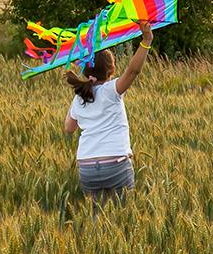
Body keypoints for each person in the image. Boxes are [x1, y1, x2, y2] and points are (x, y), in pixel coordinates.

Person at [62, 38, 152, 203]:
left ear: (86, 71)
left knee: (95, 214)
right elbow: (133, 71)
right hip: (115, 163)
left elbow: (69, 127)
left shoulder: (80, 97)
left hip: (87, 167)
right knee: (123, 214)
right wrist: (146, 40)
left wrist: (79, 96)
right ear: (111, 69)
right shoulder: (112, 90)